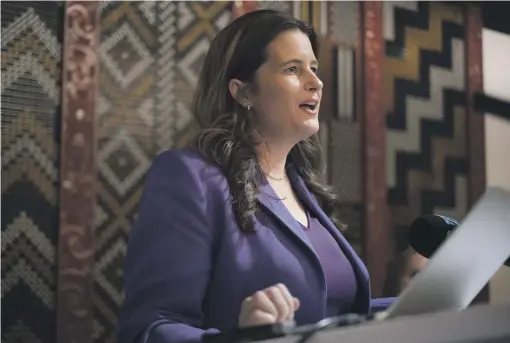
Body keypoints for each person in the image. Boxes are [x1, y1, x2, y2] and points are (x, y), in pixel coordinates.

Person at [118, 9, 395, 343]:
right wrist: (241, 339)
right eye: (293, 69)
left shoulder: (307, 189)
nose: (316, 82)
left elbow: (336, 316)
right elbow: (148, 328)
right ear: (243, 92)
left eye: (314, 68)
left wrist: (418, 306)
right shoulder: (189, 178)